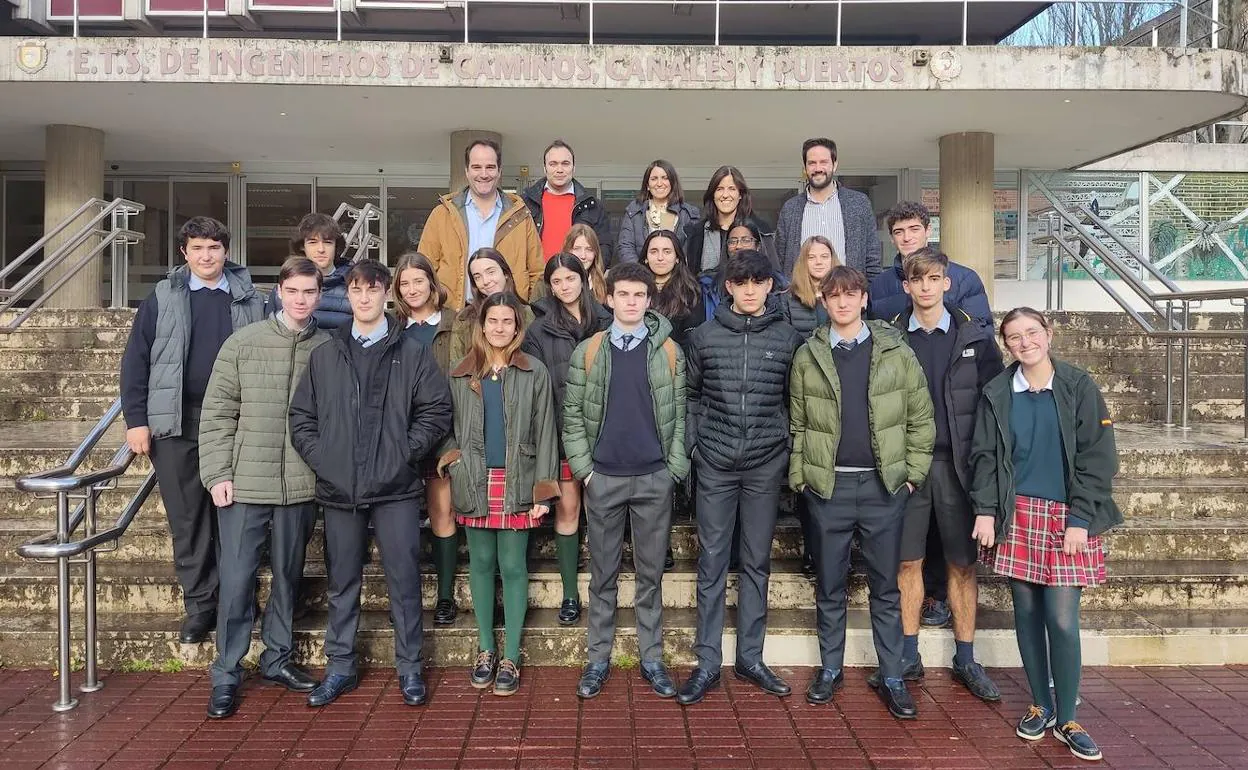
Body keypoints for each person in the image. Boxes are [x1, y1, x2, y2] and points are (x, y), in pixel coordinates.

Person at [288, 259, 453, 708]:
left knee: (403, 580)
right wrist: (327, 460)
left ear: (386, 294)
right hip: (341, 489)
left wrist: (403, 451)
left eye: (372, 289)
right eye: (356, 289)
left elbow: (437, 410)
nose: (363, 297)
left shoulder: (412, 352)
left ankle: (410, 667)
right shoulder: (326, 353)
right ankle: (339, 666)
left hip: (396, 488)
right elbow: (302, 418)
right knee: (343, 582)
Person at [970, 307, 1121, 762]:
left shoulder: (1078, 386)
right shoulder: (998, 391)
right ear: (1006, 344)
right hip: (1018, 515)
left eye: (1032, 332)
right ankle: (1040, 703)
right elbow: (984, 456)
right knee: (1027, 613)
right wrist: (985, 511)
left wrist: (1080, 519)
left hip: (1068, 519)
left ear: (1048, 334)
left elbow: (1098, 458)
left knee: (1061, 617)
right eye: (1014, 337)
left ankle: (1069, 715)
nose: (1025, 342)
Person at [788, 266, 933, 719]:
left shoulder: (895, 349)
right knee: (829, 585)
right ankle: (830, 669)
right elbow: (798, 422)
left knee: (885, 587)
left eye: (851, 294)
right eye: (834, 296)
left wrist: (911, 475)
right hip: (828, 487)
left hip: (882, 487)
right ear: (824, 302)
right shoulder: (808, 354)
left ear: (865, 299)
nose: (843, 302)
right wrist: (803, 477)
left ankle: (892, 675)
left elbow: (920, 418)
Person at [120, 216, 265, 645]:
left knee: (236, 520)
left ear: (226, 251)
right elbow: (136, 359)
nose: (207, 256)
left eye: (214, 248)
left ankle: (238, 602)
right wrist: (137, 420)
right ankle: (200, 606)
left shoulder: (250, 299)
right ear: (185, 252)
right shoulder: (163, 296)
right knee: (189, 521)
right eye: (198, 248)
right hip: (177, 423)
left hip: (237, 426)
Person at [871, 248, 1004, 703]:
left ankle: (966, 656)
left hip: (956, 466)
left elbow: (994, 408)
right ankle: (908, 653)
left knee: (962, 564)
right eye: (917, 280)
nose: (926, 287)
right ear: (905, 287)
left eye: (934, 279)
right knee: (906, 562)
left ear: (947, 283)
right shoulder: (887, 338)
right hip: (908, 466)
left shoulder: (977, 337)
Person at [198, 256, 328, 719]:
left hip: (298, 485)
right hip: (244, 485)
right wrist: (217, 474)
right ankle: (227, 672)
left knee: (288, 579)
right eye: (293, 291)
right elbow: (216, 414)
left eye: (309, 292)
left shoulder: (327, 348)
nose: (300, 300)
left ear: (319, 295)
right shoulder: (243, 343)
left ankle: (277, 659)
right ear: (278, 292)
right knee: (236, 582)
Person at [677, 250, 803, 706]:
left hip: (765, 463)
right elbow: (689, 395)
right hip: (715, 461)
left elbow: (797, 400)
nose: (750, 290)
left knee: (756, 561)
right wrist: (695, 445)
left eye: (758, 282)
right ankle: (707, 660)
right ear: (728, 287)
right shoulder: (703, 337)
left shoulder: (788, 338)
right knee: (711, 563)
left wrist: (784, 446)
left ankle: (751, 657)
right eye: (741, 282)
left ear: (770, 286)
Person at [564, 262, 688, 701]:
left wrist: (672, 470)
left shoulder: (670, 351)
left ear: (649, 300)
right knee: (603, 575)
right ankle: (598, 659)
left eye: (640, 295)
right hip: (605, 479)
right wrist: (587, 472)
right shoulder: (590, 351)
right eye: (624, 295)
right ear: (609, 298)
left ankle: (651, 657)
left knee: (651, 575)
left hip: (654, 477)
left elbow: (681, 415)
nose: (632, 302)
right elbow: (573, 417)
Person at [438, 293, 560, 696]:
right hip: (473, 478)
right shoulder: (460, 372)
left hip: (517, 479)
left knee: (512, 565)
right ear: (482, 324)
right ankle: (485, 649)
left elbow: (546, 432)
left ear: (517, 327)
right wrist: (452, 459)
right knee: (481, 563)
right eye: (493, 320)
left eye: (508, 321)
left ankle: (511, 654)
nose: (499, 328)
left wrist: (544, 486)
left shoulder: (533, 371)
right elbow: (445, 424)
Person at [521, 254, 612, 626]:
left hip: (607, 431)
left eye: (569, 278)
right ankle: (571, 593)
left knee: (603, 513)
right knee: (568, 509)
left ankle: (603, 591)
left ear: (584, 277)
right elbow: (537, 387)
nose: (564, 286)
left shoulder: (608, 320)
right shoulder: (539, 331)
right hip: (562, 431)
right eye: (556, 281)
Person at [392, 251, 460, 626]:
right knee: (399, 525)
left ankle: (446, 596)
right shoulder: (392, 328)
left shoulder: (455, 323)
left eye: (419, 281)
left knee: (442, 514)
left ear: (432, 284)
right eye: (405, 283)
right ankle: (404, 600)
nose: (413, 289)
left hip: (443, 433)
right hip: (400, 434)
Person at [418, 138, 543, 309]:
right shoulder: (442, 214)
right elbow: (424, 268)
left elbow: (537, 272)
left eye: (490, 167)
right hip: (455, 315)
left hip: (508, 317)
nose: (484, 174)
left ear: (499, 171)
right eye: (476, 167)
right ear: (467, 171)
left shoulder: (521, 216)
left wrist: (528, 311)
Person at [868, 201, 992, 324]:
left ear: (928, 231)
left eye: (914, 229)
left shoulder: (964, 279)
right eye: (899, 232)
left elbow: (980, 332)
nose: (907, 238)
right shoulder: (879, 285)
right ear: (891, 238)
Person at [776, 138, 882, 279]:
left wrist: (866, 293)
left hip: (847, 295)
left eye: (824, 162)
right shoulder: (790, 209)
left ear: (835, 165)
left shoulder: (859, 203)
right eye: (812, 163)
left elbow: (872, 256)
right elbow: (779, 259)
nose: (818, 168)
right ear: (805, 167)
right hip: (801, 298)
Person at [521, 139, 612, 263]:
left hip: (578, 278)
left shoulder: (593, 206)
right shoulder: (525, 203)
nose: (559, 169)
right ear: (545, 168)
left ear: (573, 168)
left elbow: (604, 247)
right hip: (538, 279)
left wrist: (591, 276)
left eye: (565, 163)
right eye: (553, 164)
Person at [683, 166, 778, 274]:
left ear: (740, 195)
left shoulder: (761, 231)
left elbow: (774, 275)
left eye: (732, 189)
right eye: (719, 189)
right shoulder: (697, 233)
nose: (725, 195)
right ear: (713, 195)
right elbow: (689, 277)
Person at [268, 212, 353, 329]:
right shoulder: (282, 290)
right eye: (313, 242)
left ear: (336, 246)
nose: (321, 249)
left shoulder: (354, 287)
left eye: (327, 242)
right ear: (302, 246)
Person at [450, 248, 535, 363]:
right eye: (477, 277)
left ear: (505, 273)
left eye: (491, 272)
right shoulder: (464, 319)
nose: (485, 281)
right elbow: (457, 367)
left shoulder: (528, 314)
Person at [615, 160, 699, 264]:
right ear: (647, 185)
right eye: (654, 179)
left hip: (678, 277)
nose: (659, 183)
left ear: (672, 183)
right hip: (641, 276)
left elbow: (692, 252)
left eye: (665, 178)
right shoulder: (634, 212)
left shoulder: (687, 213)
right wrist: (640, 275)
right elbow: (625, 248)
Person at [639, 229, 704, 348]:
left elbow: (693, 340)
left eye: (667, 251)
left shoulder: (690, 292)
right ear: (645, 258)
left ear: (677, 258)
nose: (660, 258)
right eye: (654, 251)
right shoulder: (634, 290)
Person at [781, 235, 837, 339]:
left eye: (824, 256)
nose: (819, 262)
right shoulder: (787, 298)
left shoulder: (845, 294)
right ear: (803, 261)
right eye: (811, 257)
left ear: (832, 259)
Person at [563, 223, 608, 303]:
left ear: (595, 253)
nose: (583, 256)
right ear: (567, 250)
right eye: (577, 249)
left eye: (589, 249)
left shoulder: (604, 286)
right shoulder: (553, 283)